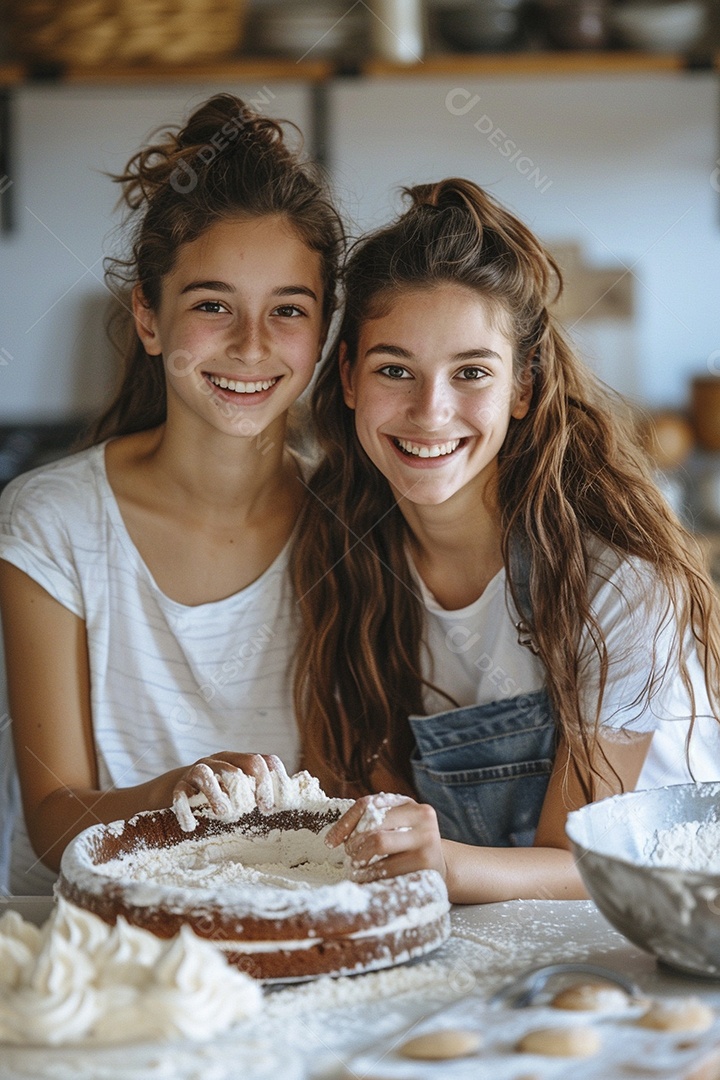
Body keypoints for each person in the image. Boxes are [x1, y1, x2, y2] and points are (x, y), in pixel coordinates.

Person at [292, 177, 720, 904]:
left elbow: (590, 862)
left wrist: (442, 865)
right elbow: (376, 816)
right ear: (349, 378)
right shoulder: (341, 552)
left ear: (522, 387)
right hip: (482, 935)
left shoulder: (613, 579)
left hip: (658, 935)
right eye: (395, 369)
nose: (431, 412)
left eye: (471, 373)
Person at [0, 93, 344, 894]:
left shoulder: (345, 519)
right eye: (212, 305)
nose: (252, 344)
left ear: (323, 333)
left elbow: (353, 784)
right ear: (148, 319)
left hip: (288, 914)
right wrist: (176, 794)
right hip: (90, 939)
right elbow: (53, 818)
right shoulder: (50, 524)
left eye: (287, 310)